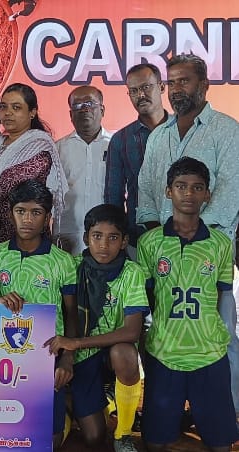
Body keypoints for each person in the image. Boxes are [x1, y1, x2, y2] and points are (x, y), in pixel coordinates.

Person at [136, 53, 239, 420]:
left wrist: (194, 238)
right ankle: (167, 411)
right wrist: (159, 239)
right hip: (163, 253)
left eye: (185, 81)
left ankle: (227, 411)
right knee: (159, 331)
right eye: (173, 82)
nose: (177, 89)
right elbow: (147, 190)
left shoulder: (226, 130)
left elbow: (229, 191)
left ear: (204, 85)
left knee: (220, 332)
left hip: (210, 253)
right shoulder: (159, 136)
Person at [137, 157, 239, 451]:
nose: (189, 193)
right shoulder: (150, 243)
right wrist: (146, 340)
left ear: (207, 194)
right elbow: (146, 299)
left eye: (197, 187)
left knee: (221, 445)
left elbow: (224, 296)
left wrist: (225, 340)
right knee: (155, 442)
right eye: (181, 186)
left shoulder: (220, 243)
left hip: (209, 353)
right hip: (164, 351)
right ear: (168, 191)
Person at [45, 204, 148, 452]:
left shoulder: (131, 272)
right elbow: (66, 314)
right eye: (97, 236)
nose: (104, 245)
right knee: (93, 437)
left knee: (124, 352)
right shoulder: (73, 266)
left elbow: (132, 331)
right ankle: (73, 405)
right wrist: (70, 354)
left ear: (124, 242)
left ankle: (123, 433)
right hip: (82, 357)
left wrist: (76, 343)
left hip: (109, 351)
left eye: (113, 238)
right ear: (85, 238)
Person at [0, 179, 77, 448]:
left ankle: (64, 413)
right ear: (10, 214)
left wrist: (67, 359)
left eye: (36, 212)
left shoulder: (62, 261)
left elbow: (72, 313)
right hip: (0, 357)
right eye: (20, 211)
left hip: (47, 356)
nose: (27, 219)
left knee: (49, 442)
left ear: (47, 218)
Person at [0, 83, 67, 249]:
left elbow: (0, 187)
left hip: (23, 237)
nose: (8, 113)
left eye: (16, 107)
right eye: (3, 107)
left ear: (32, 112)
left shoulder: (39, 147)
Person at [104, 63, 168, 251]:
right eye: (133, 91)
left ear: (161, 87)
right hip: (138, 238)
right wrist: (118, 240)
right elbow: (113, 197)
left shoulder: (184, 131)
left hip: (184, 236)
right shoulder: (121, 140)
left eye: (146, 87)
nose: (140, 95)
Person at [56, 85, 112, 255]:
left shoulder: (116, 145)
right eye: (77, 105)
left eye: (89, 103)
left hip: (107, 235)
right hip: (67, 235)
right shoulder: (57, 149)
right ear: (70, 115)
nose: (84, 109)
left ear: (102, 110)